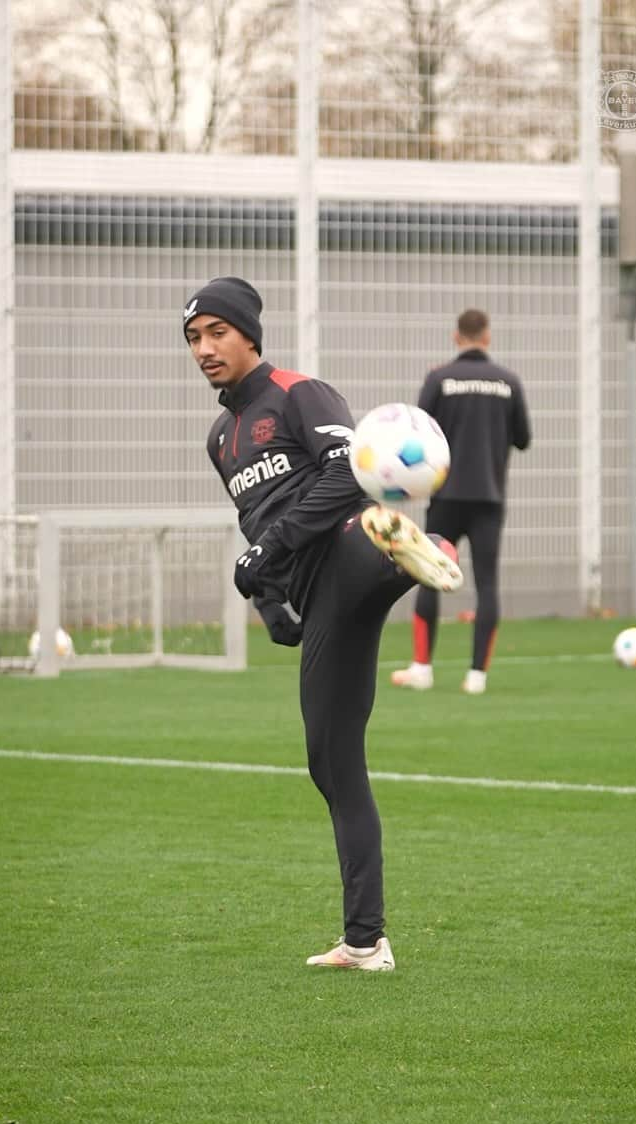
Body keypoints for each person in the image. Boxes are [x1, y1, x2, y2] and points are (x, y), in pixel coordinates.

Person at [183, 276, 463, 972]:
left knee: (360, 534)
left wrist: (270, 550)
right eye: (193, 338)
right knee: (331, 763)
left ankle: (399, 551)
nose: (205, 348)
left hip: (345, 545)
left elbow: (347, 473)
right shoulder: (221, 440)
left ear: (250, 333)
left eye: (218, 332)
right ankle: (364, 942)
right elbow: (255, 528)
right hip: (322, 596)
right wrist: (272, 605)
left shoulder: (300, 393)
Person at [392, 308, 531, 695]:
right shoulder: (508, 381)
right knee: (487, 584)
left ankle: (422, 668)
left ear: (457, 337)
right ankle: (477, 677)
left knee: (428, 575)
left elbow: (418, 433)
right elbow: (523, 438)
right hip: (489, 495)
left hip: (446, 495)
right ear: (487, 337)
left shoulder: (439, 378)